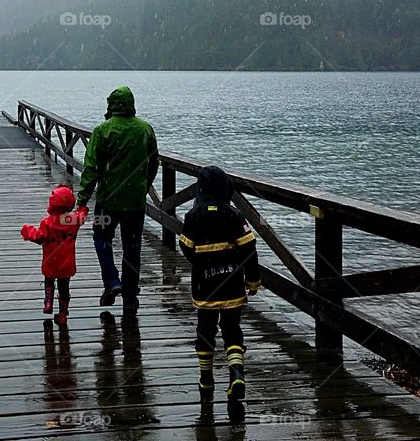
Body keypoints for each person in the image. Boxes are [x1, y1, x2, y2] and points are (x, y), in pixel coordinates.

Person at [178, 166, 262, 404]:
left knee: (205, 330)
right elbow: (249, 248)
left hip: (205, 286)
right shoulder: (234, 214)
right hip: (232, 283)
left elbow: (185, 246)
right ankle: (236, 374)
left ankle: (206, 379)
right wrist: (253, 280)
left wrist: (200, 261)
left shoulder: (193, 216)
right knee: (232, 329)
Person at [76, 86, 158, 314]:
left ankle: (112, 281)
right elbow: (154, 161)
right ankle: (130, 296)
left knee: (101, 237)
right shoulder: (145, 129)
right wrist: (144, 186)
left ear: (111, 105)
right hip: (135, 203)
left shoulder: (102, 130)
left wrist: (82, 200)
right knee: (132, 246)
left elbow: (91, 168)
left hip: (107, 202)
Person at [21, 184, 88, 325]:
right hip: (66, 263)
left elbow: (39, 237)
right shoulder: (73, 220)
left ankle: (48, 303)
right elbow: (82, 216)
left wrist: (27, 231)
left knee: (49, 280)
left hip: (51, 262)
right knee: (64, 288)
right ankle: (62, 314)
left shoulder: (47, 222)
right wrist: (83, 208)